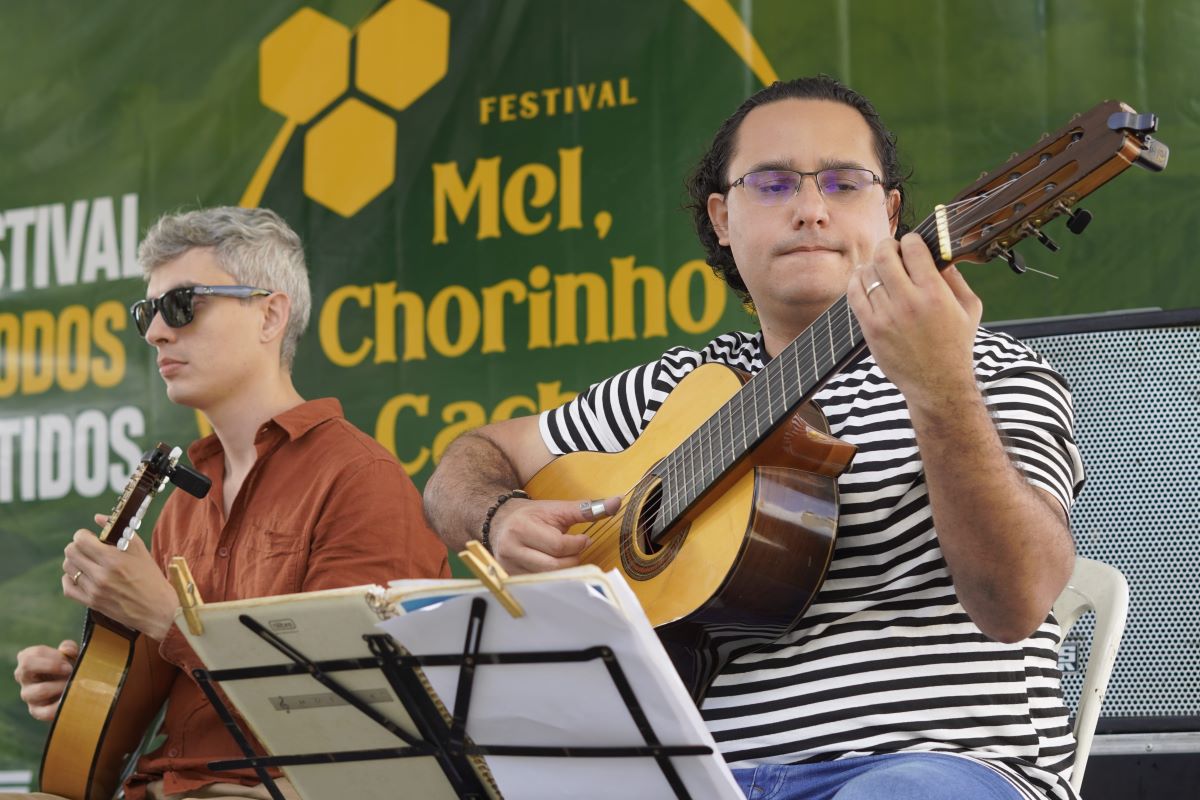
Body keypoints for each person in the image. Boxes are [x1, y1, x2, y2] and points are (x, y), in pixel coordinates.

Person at [423, 76, 1085, 800]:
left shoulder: (986, 369)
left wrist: (940, 392)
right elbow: (470, 460)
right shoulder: (673, 390)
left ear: (891, 214)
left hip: (934, 767)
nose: (809, 210)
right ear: (723, 219)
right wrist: (499, 514)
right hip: (705, 777)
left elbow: (1017, 600)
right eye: (771, 185)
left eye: (844, 183)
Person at [12, 207, 450, 800]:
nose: (155, 333)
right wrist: (91, 690)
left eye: (182, 305)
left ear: (270, 314)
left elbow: (351, 717)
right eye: (148, 311)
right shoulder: (187, 500)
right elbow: (181, 685)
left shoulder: (360, 480)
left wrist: (169, 620)